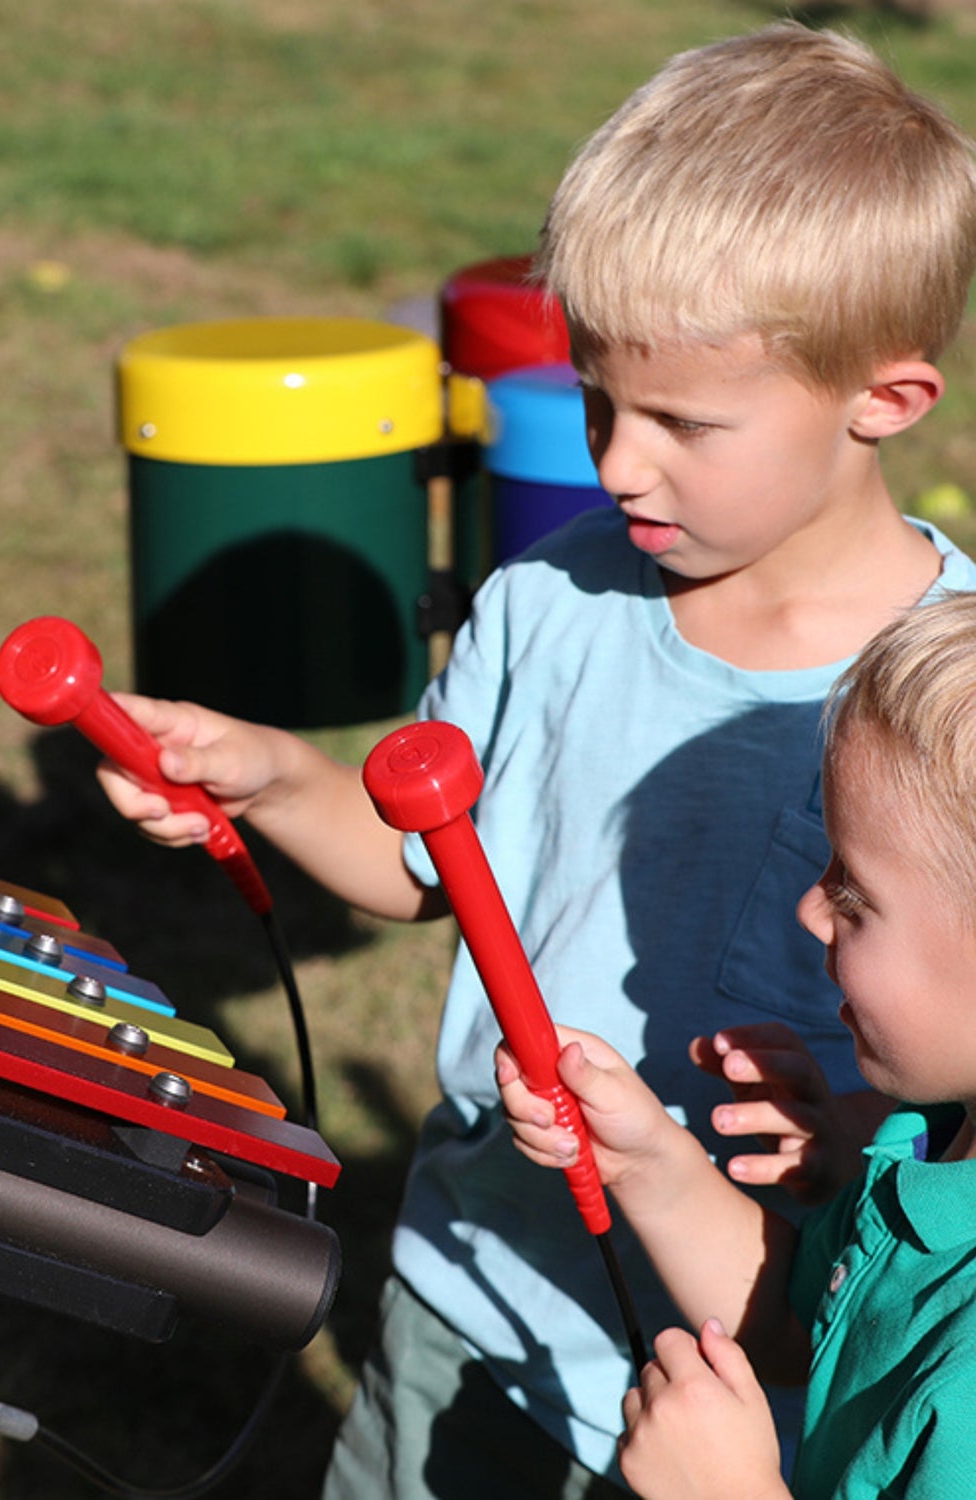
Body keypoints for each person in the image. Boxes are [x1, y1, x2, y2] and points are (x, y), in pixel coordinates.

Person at [96, 23, 976, 1497]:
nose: (620, 463)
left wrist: (843, 1145)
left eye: (687, 423)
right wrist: (281, 783)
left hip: (767, 1331)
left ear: (883, 402)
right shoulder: (553, 599)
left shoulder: (944, 694)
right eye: (596, 402)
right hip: (475, 1276)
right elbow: (432, 865)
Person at [498, 591, 976, 1498]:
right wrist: (647, 1163)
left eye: (856, 897)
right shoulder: (939, 1140)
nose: (809, 906)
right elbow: (810, 1317)